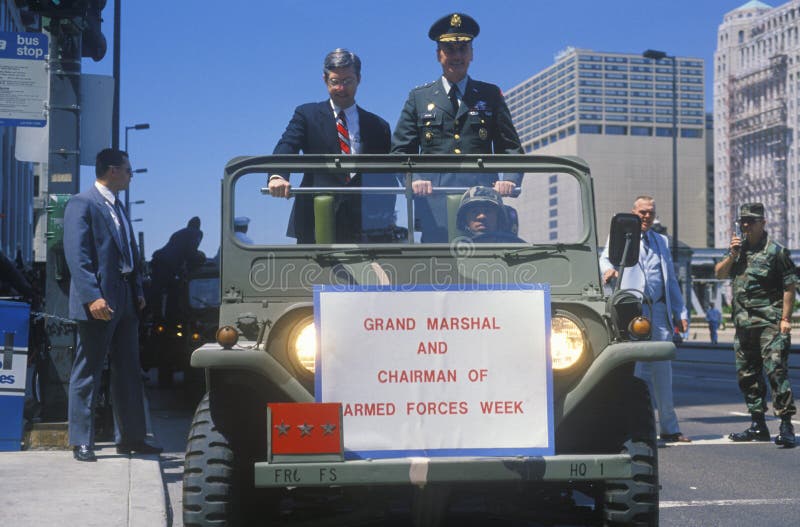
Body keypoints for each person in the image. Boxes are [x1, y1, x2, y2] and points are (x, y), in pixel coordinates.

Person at [63, 148, 162, 462]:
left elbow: (127, 254)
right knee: (89, 371)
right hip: (99, 303)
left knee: (129, 372)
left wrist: (138, 290)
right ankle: (81, 440)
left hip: (126, 303)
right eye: (129, 170)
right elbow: (77, 257)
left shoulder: (119, 207)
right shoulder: (83, 203)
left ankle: (132, 438)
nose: (132, 176)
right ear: (112, 170)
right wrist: (92, 296)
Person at [391, 12, 524, 242]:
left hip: (483, 205)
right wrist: (413, 180)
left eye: (463, 49)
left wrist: (510, 179)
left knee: (487, 271)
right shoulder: (418, 98)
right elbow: (400, 153)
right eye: (449, 49)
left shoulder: (490, 95)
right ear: (438, 55)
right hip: (435, 208)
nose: (457, 56)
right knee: (436, 273)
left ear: (472, 53)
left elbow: (511, 148)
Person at [268, 48, 393, 243]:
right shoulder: (306, 115)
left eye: (347, 81)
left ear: (359, 79)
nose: (341, 88)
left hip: (366, 226)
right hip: (316, 220)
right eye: (335, 81)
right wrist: (278, 176)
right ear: (325, 80)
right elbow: (288, 144)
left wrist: (386, 220)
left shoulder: (378, 126)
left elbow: (388, 174)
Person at [599, 195, 691, 443]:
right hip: (633, 310)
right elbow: (604, 258)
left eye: (650, 212)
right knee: (635, 369)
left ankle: (670, 429)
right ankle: (634, 427)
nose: (646, 216)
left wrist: (681, 312)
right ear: (633, 212)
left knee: (664, 370)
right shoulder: (622, 236)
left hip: (658, 311)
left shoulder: (660, 241)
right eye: (642, 212)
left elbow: (670, 279)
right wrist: (607, 270)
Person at [714, 202, 796, 448]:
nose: (746, 226)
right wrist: (732, 254)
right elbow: (719, 273)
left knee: (775, 371)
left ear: (763, 223)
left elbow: (790, 286)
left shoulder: (776, 252)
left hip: (769, 324)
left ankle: (785, 424)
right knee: (747, 375)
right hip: (743, 326)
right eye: (743, 221)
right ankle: (758, 424)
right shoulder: (737, 252)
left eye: (751, 221)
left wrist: (785, 319)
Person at [148, 216, 204, 317]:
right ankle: (170, 316)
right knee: (174, 291)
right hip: (168, 265)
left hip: (158, 260)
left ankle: (154, 317)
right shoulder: (197, 233)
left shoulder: (178, 233)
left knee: (156, 292)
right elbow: (191, 252)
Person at [456, 186, 524, 243]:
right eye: (474, 212)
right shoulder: (456, 253)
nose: (481, 217)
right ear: (465, 220)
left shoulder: (513, 249)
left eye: (488, 211)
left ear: (499, 218)